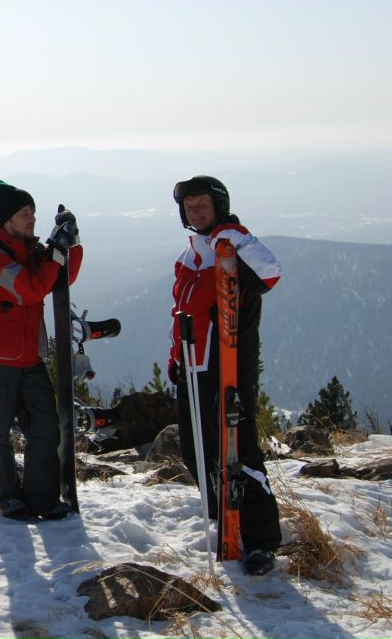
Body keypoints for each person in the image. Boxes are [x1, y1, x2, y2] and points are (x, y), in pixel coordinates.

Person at [168, 175, 282, 576]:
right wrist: (175, 358)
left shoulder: (230, 243)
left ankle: (262, 541)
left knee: (240, 451)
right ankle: (225, 520)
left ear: (218, 205)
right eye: (189, 206)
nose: (194, 211)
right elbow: (181, 314)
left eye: (202, 205)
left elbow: (269, 273)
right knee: (195, 449)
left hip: (229, 367)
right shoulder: (190, 255)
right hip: (193, 366)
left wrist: (232, 237)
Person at [0, 179, 83, 520]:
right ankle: (6, 499)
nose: (31, 218)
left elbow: (61, 278)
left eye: (33, 211)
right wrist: (56, 253)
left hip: (28, 358)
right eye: (24, 213)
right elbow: (32, 289)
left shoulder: (26, 250)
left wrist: (70, 243)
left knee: (45, 427)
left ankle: (42, 498)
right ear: (6, 220)